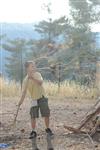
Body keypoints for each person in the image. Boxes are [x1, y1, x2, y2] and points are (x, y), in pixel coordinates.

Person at [18, 61, 54, 139]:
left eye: (34, 66)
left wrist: (32, 78)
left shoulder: (37, 74)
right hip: (34, 99)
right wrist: (20, 102)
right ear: (27, 68)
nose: (34, 67)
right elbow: (24, 92)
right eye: (32, 66)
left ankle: (47, 129)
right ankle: (33, 131)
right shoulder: (25, 80)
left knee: (46, 114)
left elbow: (40, 83)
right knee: (33, 116)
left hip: (42, 97)